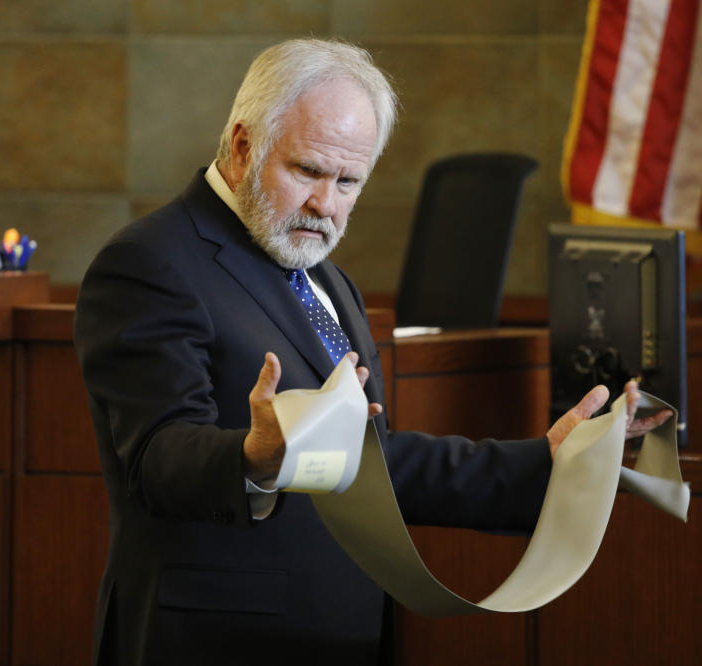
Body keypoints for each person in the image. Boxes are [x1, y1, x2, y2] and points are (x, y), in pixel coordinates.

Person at [74, 38, 668, 666]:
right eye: (306, 170)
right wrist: (256, 456)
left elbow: (373, 468)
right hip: (212, 641)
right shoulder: (150, 262)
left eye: (348, 181)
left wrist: (550, 461)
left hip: (345, 633)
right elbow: (156, 457)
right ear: (244, 147)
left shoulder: (326, 278)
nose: (325, 205)